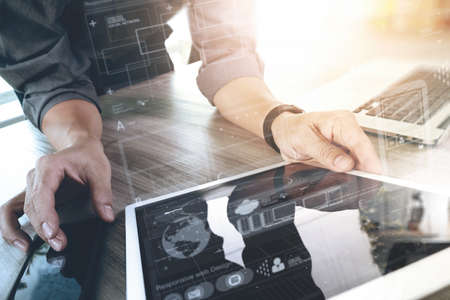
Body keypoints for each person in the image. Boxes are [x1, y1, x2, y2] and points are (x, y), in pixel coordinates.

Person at [0, 0, 381, 253]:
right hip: (61, 121)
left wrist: (279, 120)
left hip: (157, 89)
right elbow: (47, 73)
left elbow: (227, 51)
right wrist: (77, 142)